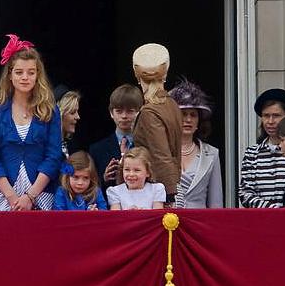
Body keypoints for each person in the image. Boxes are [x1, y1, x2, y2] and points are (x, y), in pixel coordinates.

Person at [0, 34, 63, 211]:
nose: (25, 77)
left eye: (31, 72)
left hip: (41, 193)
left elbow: (53, 156)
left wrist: (30, 196)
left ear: (37, 76)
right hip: (3, 193)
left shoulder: (50, 111)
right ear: (9, 75)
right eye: (19, 72)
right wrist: (11, 196)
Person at [131, 43, 182, 205]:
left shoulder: (149, 112)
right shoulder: (172, 104)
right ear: (165, 73)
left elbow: (161, 155)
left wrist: (167, 197)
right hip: (170, 184)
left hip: (156, 192)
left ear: (136, 74)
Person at [168, 79, 224, 208]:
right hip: (169, 222)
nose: (188, 119)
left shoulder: (212, 153)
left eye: (193, 115)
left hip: (199, 224)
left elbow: (216, 203)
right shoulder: (161, 152)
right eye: (183, 114)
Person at [238, 88, 285, 208]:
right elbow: (245, 193)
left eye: (276, 116)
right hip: (260, 222)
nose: (270, 121)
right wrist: (272, 210)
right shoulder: (252, 153)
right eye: (266, 116)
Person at [89, 84, 144, 191]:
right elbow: (87, 186)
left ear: (139, 112)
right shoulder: (97, 149)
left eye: (130, 111)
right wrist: (103, 178)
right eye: (119, 111)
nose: (124, 116)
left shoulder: (147, 146)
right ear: (111, 113)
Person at [54, 85, 82, 158]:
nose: (78, 117)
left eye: (77, 112)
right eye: (72, 112)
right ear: (60, 114)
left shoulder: (73, 147)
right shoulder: (45, 147)